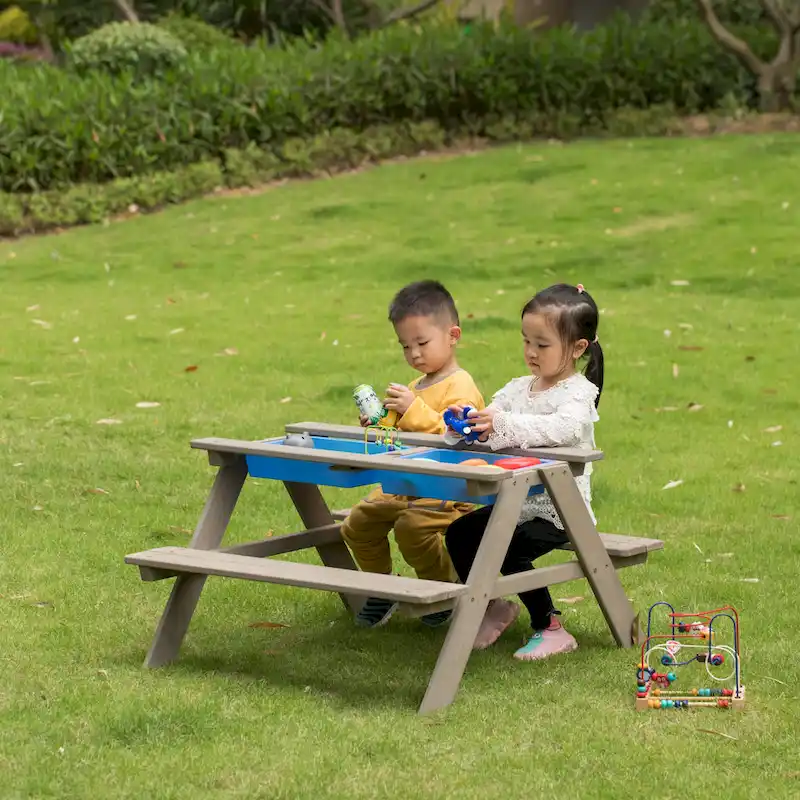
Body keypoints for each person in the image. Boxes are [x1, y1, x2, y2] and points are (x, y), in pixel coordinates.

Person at [444, 283, 604, 660]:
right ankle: (493, 605)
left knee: (504, 549)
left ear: (578, 348)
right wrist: (469, 422)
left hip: (560, 511)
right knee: (461, 534)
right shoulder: (519, 388)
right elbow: (493, 417)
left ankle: (550, 626)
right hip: (516, 504)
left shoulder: (578, 395)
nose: (531, 352)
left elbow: (559, 430)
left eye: (542, 344)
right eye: (526, 341)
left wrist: (503, 423)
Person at [340, 280, 485, 629]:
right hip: (403, 482)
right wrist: (378, 423)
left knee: (412, 527)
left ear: (453, 335)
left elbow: (458, 437)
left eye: (422, 343)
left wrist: (412, 409)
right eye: (406, 346)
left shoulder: (460, 385)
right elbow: (397, 437)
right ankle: (382, 588)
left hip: (447, 488)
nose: (414, 353)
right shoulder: (414, 386)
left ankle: (443, 591)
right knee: (357, 524)